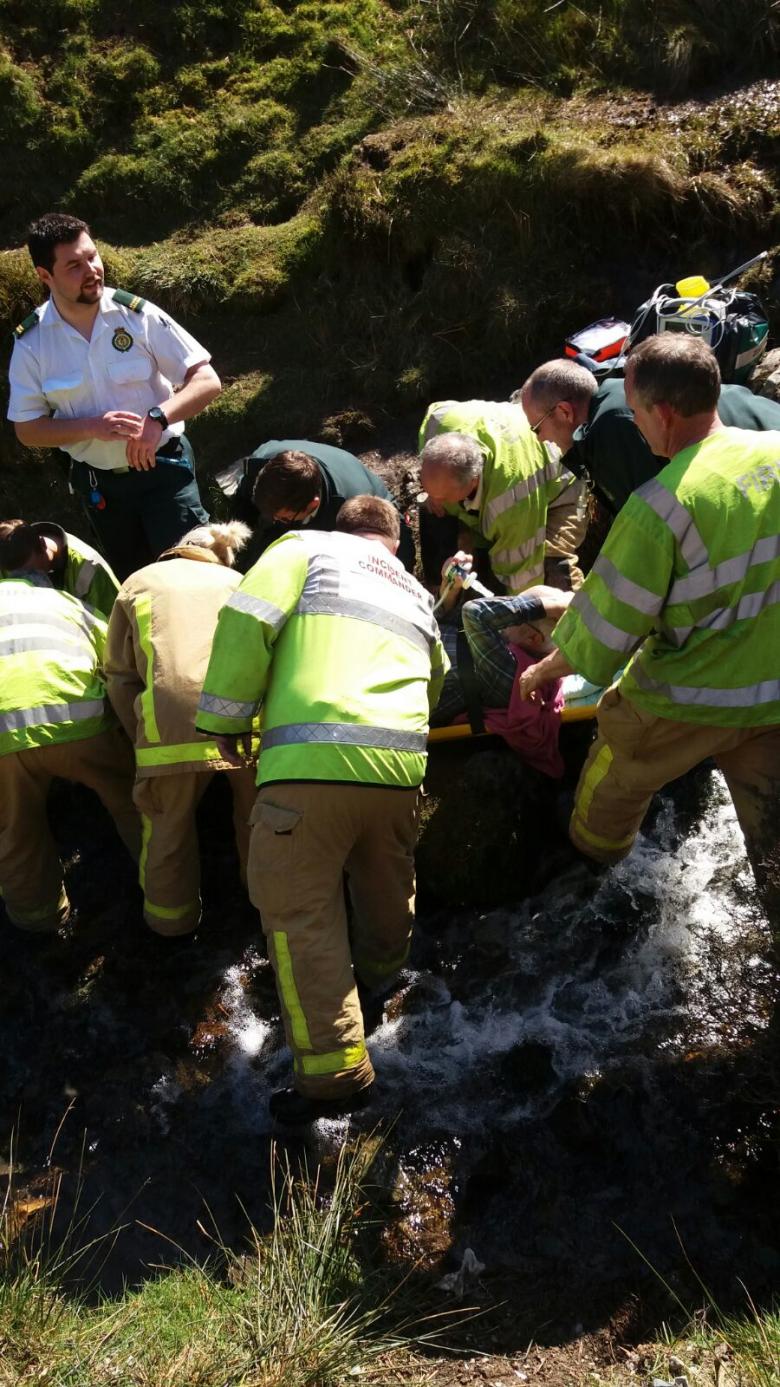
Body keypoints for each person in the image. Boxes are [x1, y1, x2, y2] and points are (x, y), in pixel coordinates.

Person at [196, 495, 448, 1124]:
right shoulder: (417, 593)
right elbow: (436, 680)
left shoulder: (305, 549)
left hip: (309, 766)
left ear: (345, 529)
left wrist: (225, 717)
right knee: (386, 885)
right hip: (398, 770)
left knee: (300, 912)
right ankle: (383, 981)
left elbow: (247, 620)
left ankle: (335, 1078)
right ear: (391, 542)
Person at [519, 334, 780, 896]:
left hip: (689, 696)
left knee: (612, 778)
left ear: (662, 413)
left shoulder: (661, 504)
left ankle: (595, 874)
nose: (634, 425)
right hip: (773, 689)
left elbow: (604, 634)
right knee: (773, 838)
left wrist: (542, 672)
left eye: (634, 413)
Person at [8, 212, 220, 581]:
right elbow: (27, 429)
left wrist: (157, 420)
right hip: (101, 487)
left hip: (164, 471)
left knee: (193, 574)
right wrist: (90, 427)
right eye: (73, 265)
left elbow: (206, 380)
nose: (91, 270)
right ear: (45, 276)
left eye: (92, 256)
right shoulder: (32, 343)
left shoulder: (136, 315)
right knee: (136, 582)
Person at [104, 520, 257, 936]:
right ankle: (262, 905)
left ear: (177, 549)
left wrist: (140, 733)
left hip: (167, 725)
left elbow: (118, 676)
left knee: (167, 825)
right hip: (243, 723)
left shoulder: (138, 582)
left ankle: (171, 925)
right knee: (258, 818)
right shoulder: (241, 581)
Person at [0, 527, 139, 931]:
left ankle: (40, 923)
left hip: (3, 742)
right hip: (79, 724)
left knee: (14, 829)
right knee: (135, 799)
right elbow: (117, 660)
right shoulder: (66, 602)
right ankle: (163, 884)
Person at [520, 357, 780, 516]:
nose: (541, 440)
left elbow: (661, 525)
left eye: (538, 428)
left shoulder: (612, 430)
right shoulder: (615, 401)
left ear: (564, 411)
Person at [418, 397, 587, 593]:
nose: (438, 502)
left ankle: (576, 616)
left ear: (473, 480)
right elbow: (436, 410)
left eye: (444, 497)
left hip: (563, 488)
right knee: (435, 515)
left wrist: (518, 616)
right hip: (513, 454)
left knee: (552, 568)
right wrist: (433, 495)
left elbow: (524, 577)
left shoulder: (511, 504)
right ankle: (437, 592)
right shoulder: (438, 421)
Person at [241, 439, 416, 571]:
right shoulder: (262, 463)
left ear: (312, 504)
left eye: (283, 519)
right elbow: (242, 508)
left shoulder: (349, 511)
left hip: (373, 511)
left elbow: (396, 548)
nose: (275, 520)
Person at [0, 517, 119, 618]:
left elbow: (116, 627)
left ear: (43, 545)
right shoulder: (7, 560)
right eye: (16, 575)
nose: (27, 580)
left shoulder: (90, 570)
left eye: (31, 571)